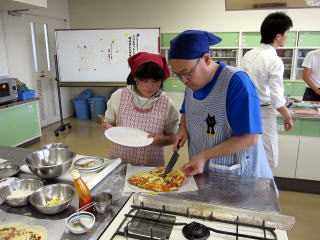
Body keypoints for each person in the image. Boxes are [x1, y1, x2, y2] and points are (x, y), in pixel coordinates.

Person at [168, 30, 273, 179]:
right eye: (178, 75)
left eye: (187, 73)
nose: (184, 80)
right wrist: (182, 127)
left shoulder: (236, 83)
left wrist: (204, 156)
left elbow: (249, 137)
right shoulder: (191, 83)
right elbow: (187, 110)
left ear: (206, 58)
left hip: (238, 175)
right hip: (204, 172)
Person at [104, 52, 179, 166]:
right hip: (119, 160)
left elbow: (173, 137)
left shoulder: (167, 104)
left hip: (150, 165)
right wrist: (108, 128)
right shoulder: (119, 96)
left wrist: (160, 140)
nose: (150, 86)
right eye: (145, 80)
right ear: (135, 77)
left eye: (155, 81)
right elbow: (108, 123)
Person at [241, 12, 293, 169]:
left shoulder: (248, 55)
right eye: (287, 33)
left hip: (245, 111)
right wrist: (287, 116)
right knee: (269, 159)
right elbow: (277, 99)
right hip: (263, 113)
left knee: (247, 154)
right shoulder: (274, 60)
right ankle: (264, 192)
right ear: (278, 36)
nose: (287, 36)